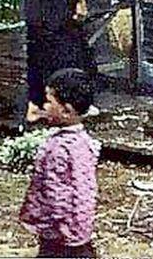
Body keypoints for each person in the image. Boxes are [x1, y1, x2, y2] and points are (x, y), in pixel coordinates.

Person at [19, 68, 100, 258]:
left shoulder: (59, 148)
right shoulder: (84, 142)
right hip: (78, 230)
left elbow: (57, 193)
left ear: (66, 111)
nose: (43, 106)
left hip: (59, 234)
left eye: (48, 101)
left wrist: (53, 226)